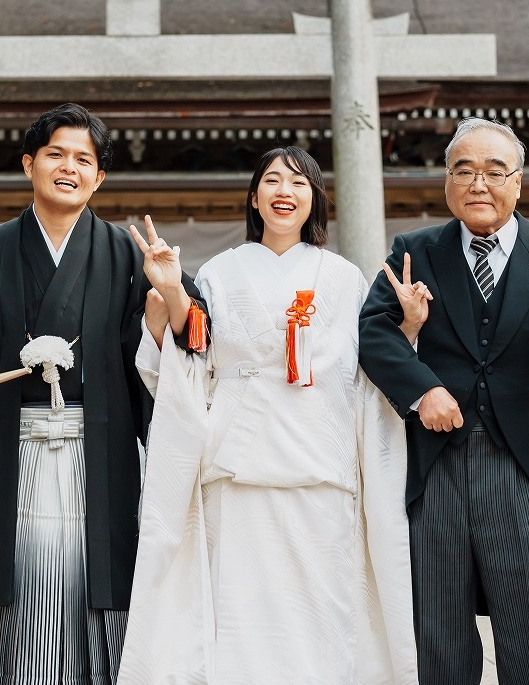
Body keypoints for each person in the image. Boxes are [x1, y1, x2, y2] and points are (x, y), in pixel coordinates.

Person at [0, 102, 202, 684]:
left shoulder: (131, 256)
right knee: (10, 586)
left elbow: (184, 343)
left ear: (99, 178)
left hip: (98, 456)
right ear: (29, 164)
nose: (68, 168)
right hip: (9, 455)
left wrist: (169, 297)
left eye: (84, 159)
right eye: (55, 154)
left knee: (95, 585)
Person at [120, 147, 419, 683]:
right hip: (238, 468)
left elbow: (370, 370)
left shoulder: (345, 277)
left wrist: (409, 334)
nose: (285, 192)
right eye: (273, 181)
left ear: (315, 201)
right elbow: (194, 349)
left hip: (321, 467)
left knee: (324, 615)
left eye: (299, 183)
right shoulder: (219, 271)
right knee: (237, 615)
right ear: (254, 197)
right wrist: (170, 289)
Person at [358, 117, 529, 685]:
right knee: (438, 632)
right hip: (435, 463)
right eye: (464, 170)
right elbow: (372, 332)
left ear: (519, 182)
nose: (478, 183)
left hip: (523, 463)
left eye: (494, 171)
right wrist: (422, 387)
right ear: (448, 182)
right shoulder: (416, 251)